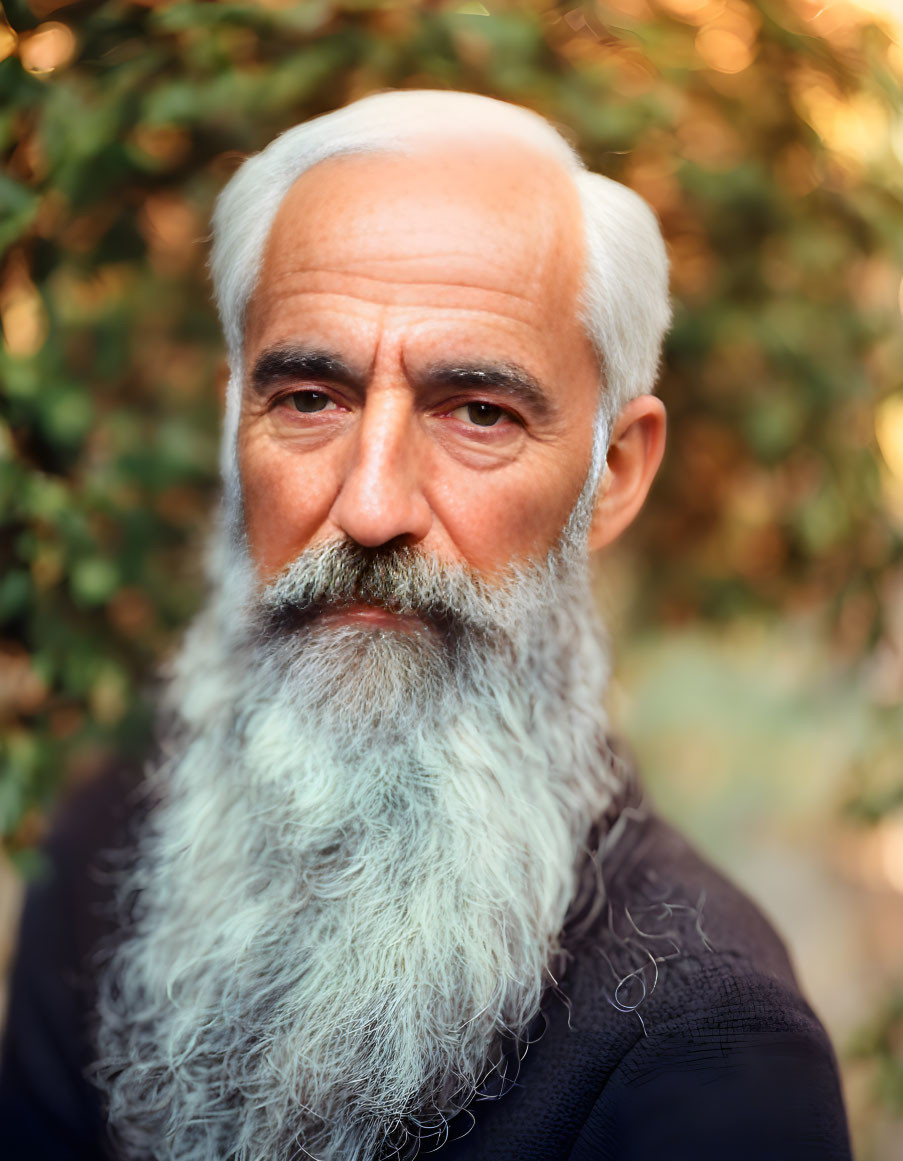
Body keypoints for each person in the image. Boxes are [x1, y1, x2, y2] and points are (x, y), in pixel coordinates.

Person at [0, 90, 852, 1161]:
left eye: (479, 413)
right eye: (310, 397)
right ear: (234, 425)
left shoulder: (706, 1045)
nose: (369, 506)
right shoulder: (99, 860)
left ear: (614, 473)